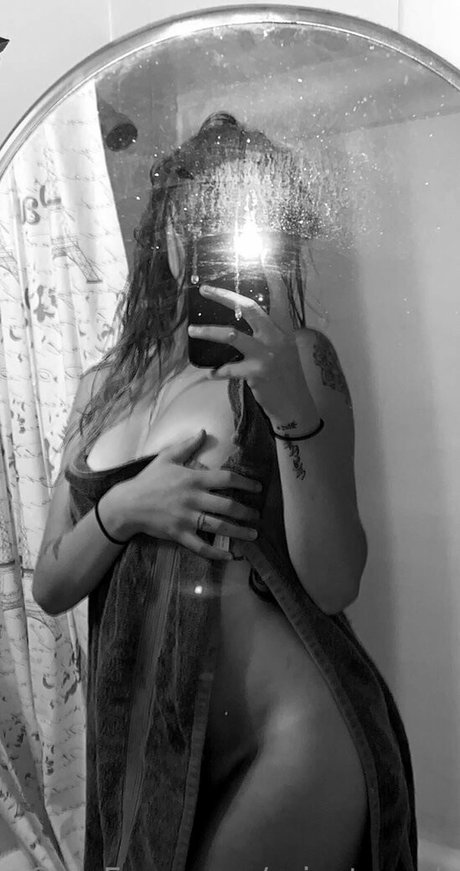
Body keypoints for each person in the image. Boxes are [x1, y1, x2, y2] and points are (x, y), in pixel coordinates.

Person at [33, 112, 417, 871]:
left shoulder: (299, 358)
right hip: (160, 745)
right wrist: (123, 509)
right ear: (167, 227)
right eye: (199, 210)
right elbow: (50, 585)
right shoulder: (100, 387)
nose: (210, 230)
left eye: (234, 213)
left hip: (293, 730)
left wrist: (290, 407)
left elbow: (335, 582)